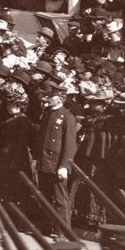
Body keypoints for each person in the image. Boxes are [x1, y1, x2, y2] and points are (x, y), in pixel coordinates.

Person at [31, 83, 79, 234]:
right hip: (44, 162)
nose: (48, 99)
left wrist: (65, 166)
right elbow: (41, 140)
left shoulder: (68, 117)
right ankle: (44, 227)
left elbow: (70, 145)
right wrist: (35, 158)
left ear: (61, 99)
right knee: (44, 196)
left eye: (51, 97)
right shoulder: (47, 114)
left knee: (60, 199)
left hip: (57, 164)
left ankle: (63, 232)